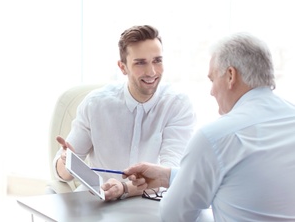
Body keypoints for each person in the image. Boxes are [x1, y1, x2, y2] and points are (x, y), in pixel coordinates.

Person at [123, 32, 295, 221]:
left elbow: (174, 216)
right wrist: (169, 176)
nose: (212, 92)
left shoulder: (216, 137)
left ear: (231, 75)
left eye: (212, 79)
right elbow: (246, 180)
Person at [53, 25, 196, 201]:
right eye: (140, 62)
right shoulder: (95, 104)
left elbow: (170, 174)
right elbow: (63, 175)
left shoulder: (177, 105)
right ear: (123, 67)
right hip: (97, 202)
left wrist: (125, 188)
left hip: (150, 202)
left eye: (157, 60)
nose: (152, 72)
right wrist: (66, 163)